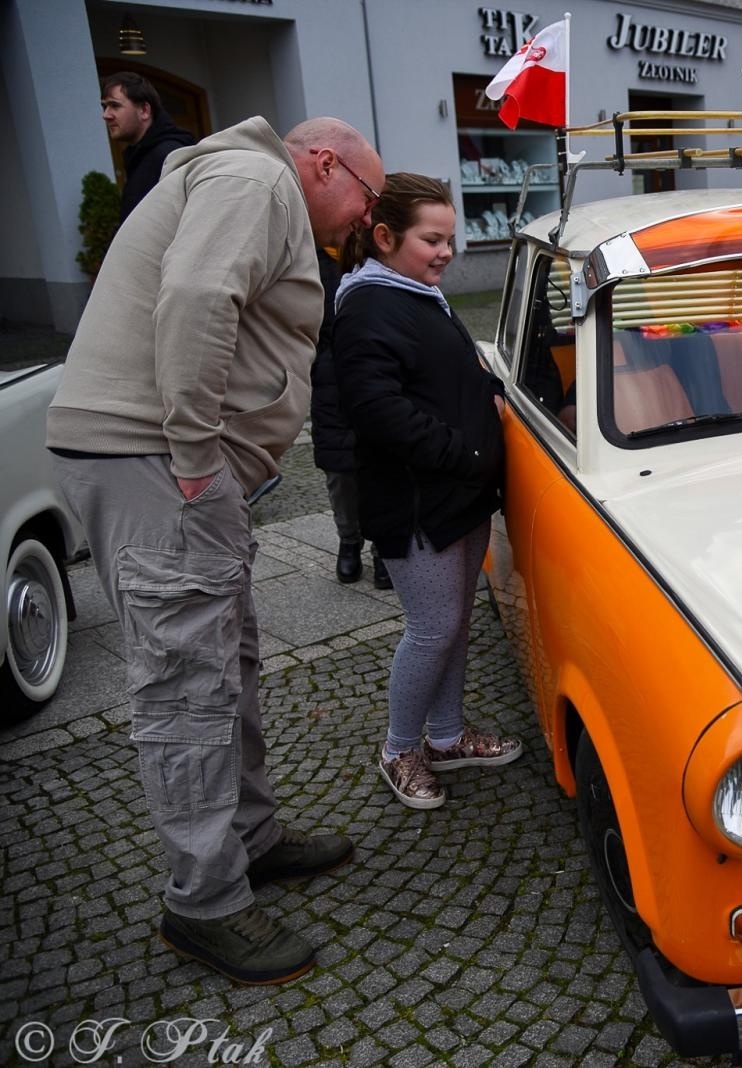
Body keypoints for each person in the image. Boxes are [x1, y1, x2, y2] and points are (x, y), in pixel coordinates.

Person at [48, 115, 384, 985]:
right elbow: (197, 299)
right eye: (367, 197)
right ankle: (204, 904)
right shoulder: (258, 181)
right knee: (188, 684)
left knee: (224, 660)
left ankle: (250, 839)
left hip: (166, 464)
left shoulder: (254, 182)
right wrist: (198, 459)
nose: (365, 219)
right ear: (324, 163)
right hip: (156, 463)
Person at [331, 172, 519, 810]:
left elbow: (444, 376)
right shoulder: (366, 305)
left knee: (458, 623)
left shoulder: (415, 293)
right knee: (433, 627)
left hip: (456, 494)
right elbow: (378, 411)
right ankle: (399, 749)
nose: (446, 252)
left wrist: (488, 394)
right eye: (431, 240)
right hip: (416, 503)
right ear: (385, 237)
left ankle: (444, 735)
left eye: (451, 239)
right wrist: (466, 453)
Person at [309, 246, 390, 589]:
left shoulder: (376, 251)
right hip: (330, 374)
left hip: (377, 366)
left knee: (384, 462)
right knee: (340, 469)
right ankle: (349, 539)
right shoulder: (309, 253)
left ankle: (384, 548)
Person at [100, 71, 197, 223]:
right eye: (104, 107)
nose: (106, 115)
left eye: (114, 105)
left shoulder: (169, 155)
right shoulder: (139, 156)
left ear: (144, 110)